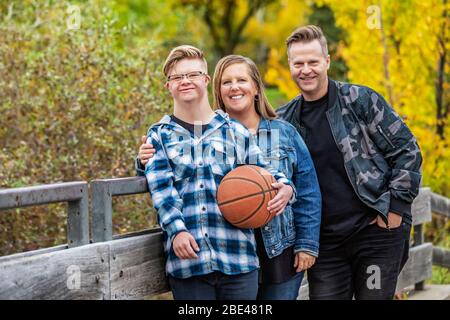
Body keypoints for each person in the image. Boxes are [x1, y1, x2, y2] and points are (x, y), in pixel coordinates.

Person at [138, 54, 322, 300]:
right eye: (178, 76)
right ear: (168, 85)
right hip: (191, 262)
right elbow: (163, 190)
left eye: (192, 74)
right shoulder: (160, 135)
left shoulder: (248, 132)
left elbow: (274, 174)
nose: (185, 81)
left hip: (251, 256)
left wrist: (285, 187)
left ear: (204, 79)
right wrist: (176, 230)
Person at [275, 25, 423, 299]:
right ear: (290, 66)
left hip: (375, 234)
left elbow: (407, 150)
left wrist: (395, 210)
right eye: (298, 63)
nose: (306, 69)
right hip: (327, 244)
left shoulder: (361, 101)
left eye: (313, 62)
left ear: (327, 62)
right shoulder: (285, 121)